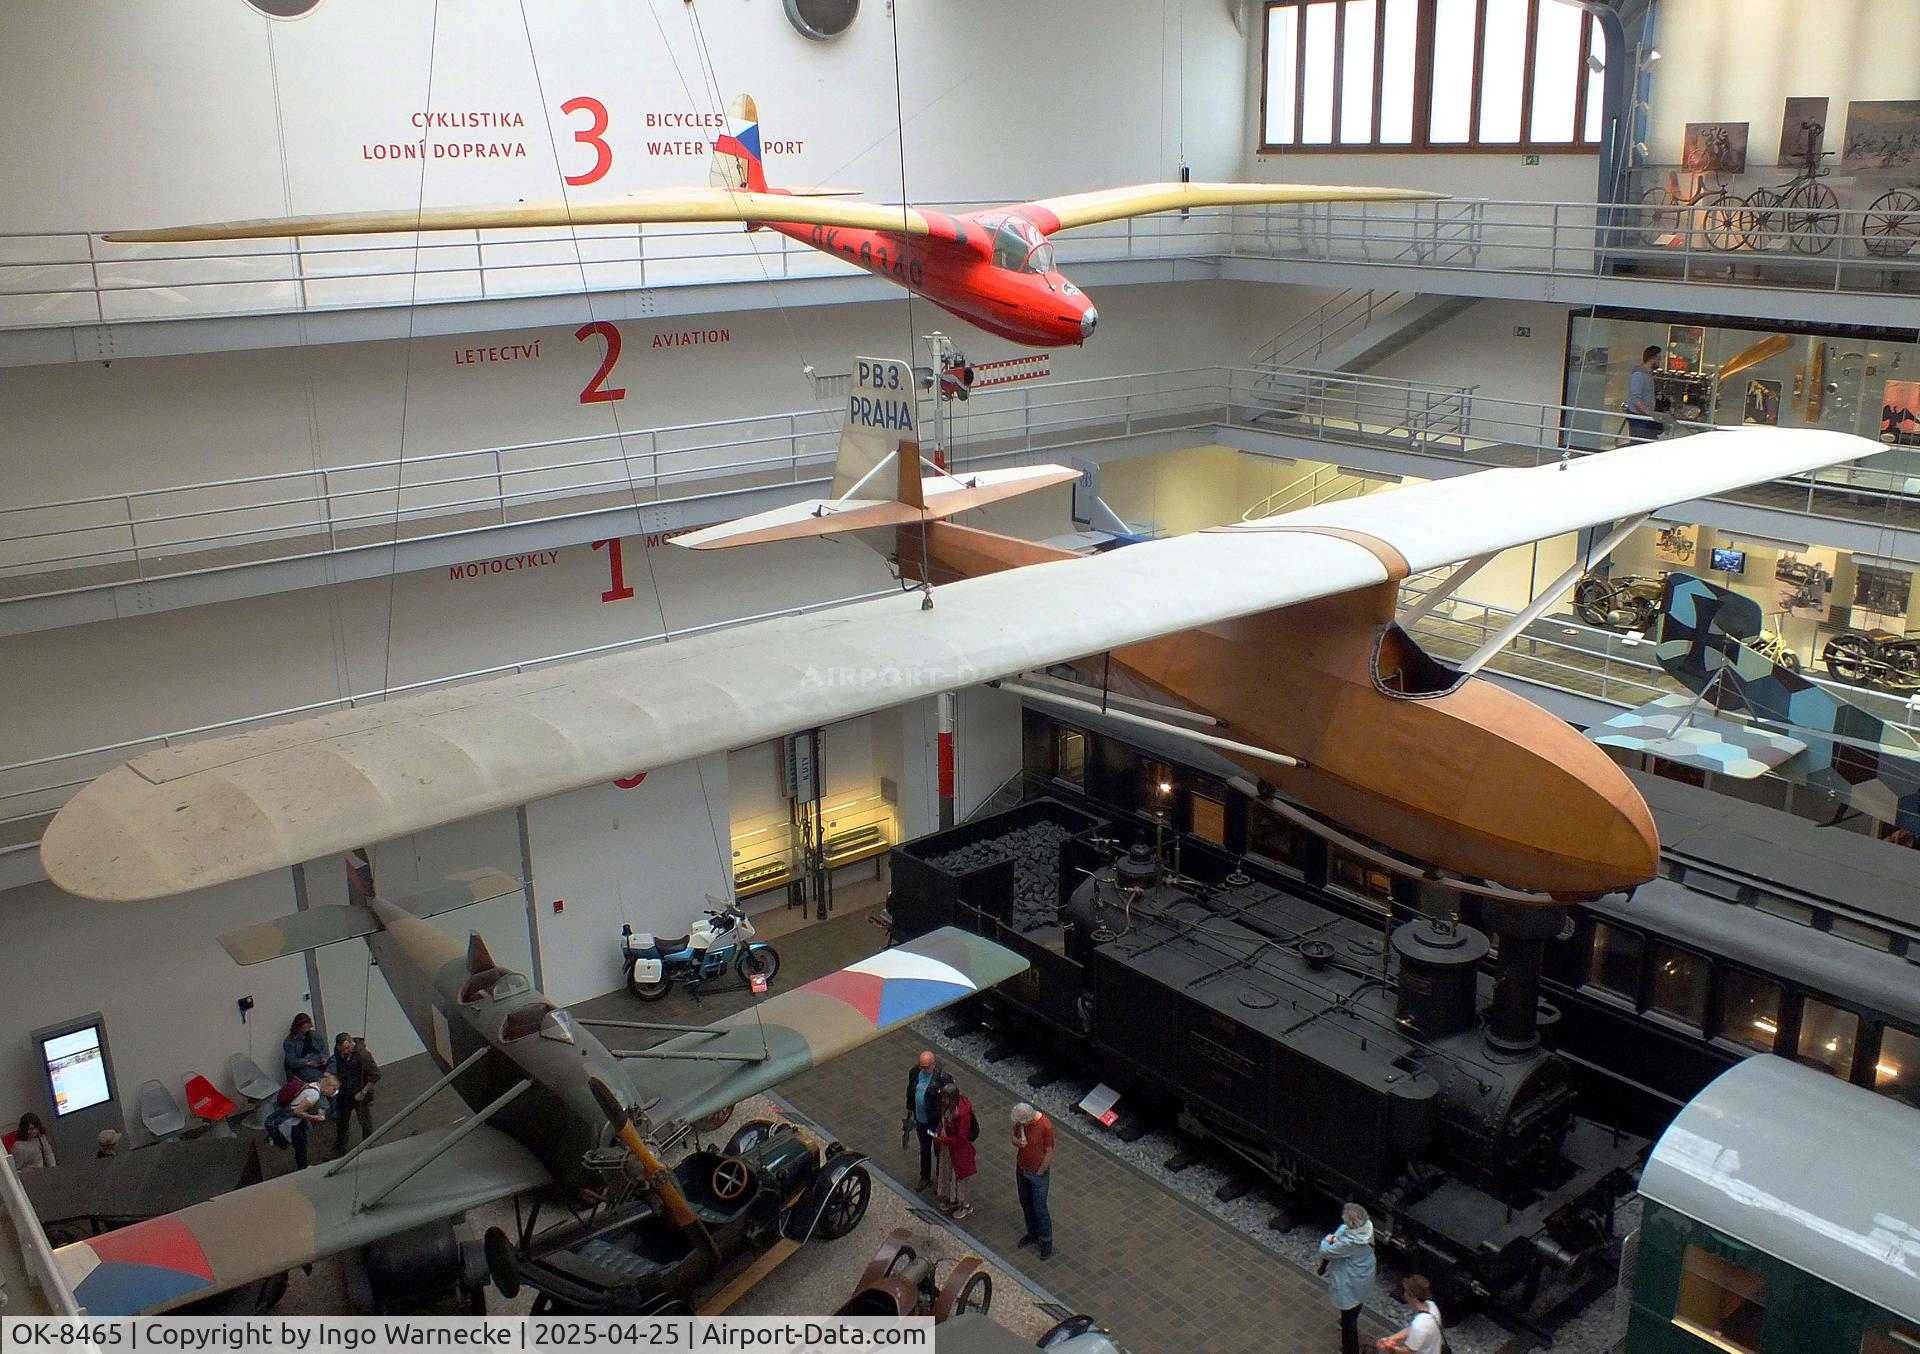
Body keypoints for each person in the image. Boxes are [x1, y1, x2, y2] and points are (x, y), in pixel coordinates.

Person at [1321, 1202, 1378, 1354]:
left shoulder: (1350, 1243)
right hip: (1363, 1276)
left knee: (1349, 1320)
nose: (1342, 1220)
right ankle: (1347, 1321)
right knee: (1356, 1304)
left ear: (1352, 1223)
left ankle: (1350, 1350)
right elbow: (1342, 1231)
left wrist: (1328, 1239)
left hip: (1350, 1282)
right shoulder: (1367, 1229)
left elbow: (1326, 1251)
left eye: (1345, 1219)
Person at [1010, 1102, 1055, 1259]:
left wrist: (1040, 1172)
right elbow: (1014, 1138)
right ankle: (1032, 1233)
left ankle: (1046, 1241)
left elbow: (1049, 1153)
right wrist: (1018, 1142)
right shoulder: (1021, 1123)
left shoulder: (1045, 1126)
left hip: (1037, 1173)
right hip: (1022, 1168)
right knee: (1026, 1203)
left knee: (1040, 1208)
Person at [903, 1051, 954, 1188]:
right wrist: (909, 1106)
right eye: (921, 1066)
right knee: (924, 1149)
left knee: (939, 1151)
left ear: (933, 1064)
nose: (923, 1070)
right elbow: (910, 1090)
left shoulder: (943, 1078)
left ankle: (940, 1180)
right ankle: (924, 1177)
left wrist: (947, 1118)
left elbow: (951, 1098)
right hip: (921, 1121)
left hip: (936, 1122)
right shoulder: (915, 1072)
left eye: (926, 1067)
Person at [327, 1032, 381, 1153]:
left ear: (351, 1043)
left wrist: (363, 1092)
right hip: (345, 1091)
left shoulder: (363, 1055)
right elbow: (338, 1066)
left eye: (346, 1049)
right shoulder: (338, 1052)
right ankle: (340, 1146)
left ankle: (368, 1145)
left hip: (360, 1092)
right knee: (341, 1120)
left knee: (364, 1120)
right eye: (341, 1050)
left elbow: (376, 1075)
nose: (344, 1053)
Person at [931, 1084, 978, 1219]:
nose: (943, 1101)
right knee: (947, 1173)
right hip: (948, 1148)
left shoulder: (963, 1116)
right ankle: (951, 1198)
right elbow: (943, 1121)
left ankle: (965, 1205)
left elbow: (961, 1139)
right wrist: (938, 1131)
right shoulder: (948, 1109)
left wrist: (942, 1139)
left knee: (960, 1178)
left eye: (945, 1098)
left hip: (959, 1152)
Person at [272, 1073, 336, 1171]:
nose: (335, 1092)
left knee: (301, 1145)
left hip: (293, 1119)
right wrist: (314, 1117)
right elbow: (298, 1111)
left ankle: (302, 1166)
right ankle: (302, 1169)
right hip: (293, 1123)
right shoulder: (314, 1095)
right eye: (334, 1089)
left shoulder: (312, 1084)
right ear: (328, 1087)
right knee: (300, 1147)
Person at [1377, 1274, 1444, 1353]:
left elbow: (1409, 1351)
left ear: (1410, 1294)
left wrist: (1391, 1348)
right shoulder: (1431, 1305)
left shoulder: (1419, 1325)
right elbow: (1412, 1329)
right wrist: (1391, 1339)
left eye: (1405, 1290)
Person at [1625, 345, 1663, 443]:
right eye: (1659, 359)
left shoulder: (1647, 374)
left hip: (1645, 417)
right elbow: (1635, 397)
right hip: (1639, 418)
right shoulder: (1639, 375)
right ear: (1651, 359)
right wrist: (1649, 412)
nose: (1660, 362)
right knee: (1638, 444)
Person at [283, 1012, 328, 1085]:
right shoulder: (289, 1042)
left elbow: (323, 1049)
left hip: (319, 1062)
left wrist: (324, 1058)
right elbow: (291, 1061)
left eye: (308, 1028)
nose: (307, 1030)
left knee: (334, 1068)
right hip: (304, 1067)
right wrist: (307, 1063)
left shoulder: (314, 1035)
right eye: (304, 1028)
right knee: (320, 1078)